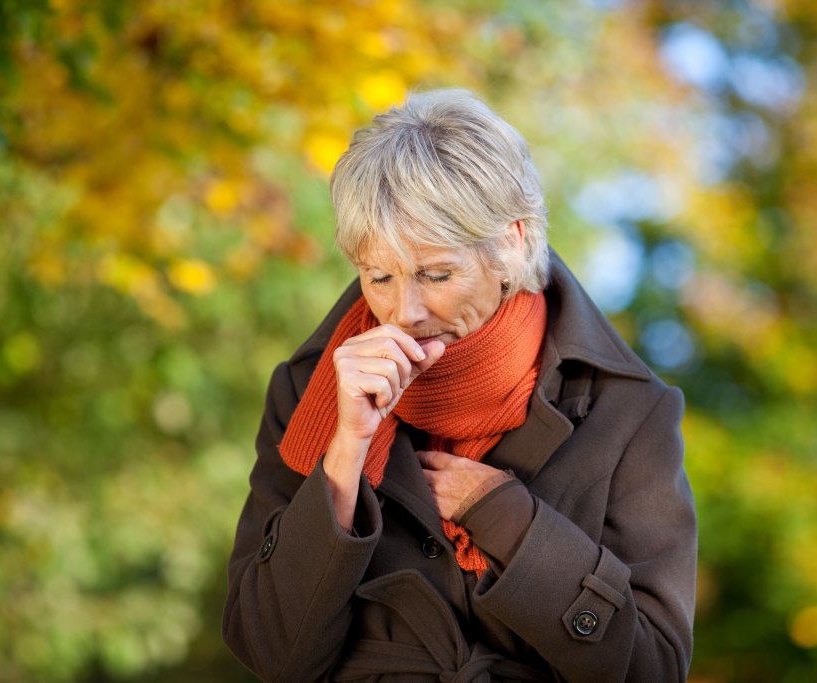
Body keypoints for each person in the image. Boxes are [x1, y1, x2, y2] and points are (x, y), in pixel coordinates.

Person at [222, 89, 696, 682]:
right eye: (380, 276)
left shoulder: (628, 410)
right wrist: (344, 455)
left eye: (435, 273)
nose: (404, 311)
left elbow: (652, 668)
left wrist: (509, 520)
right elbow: (270, 653)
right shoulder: (308, 391)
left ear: (511, 240)